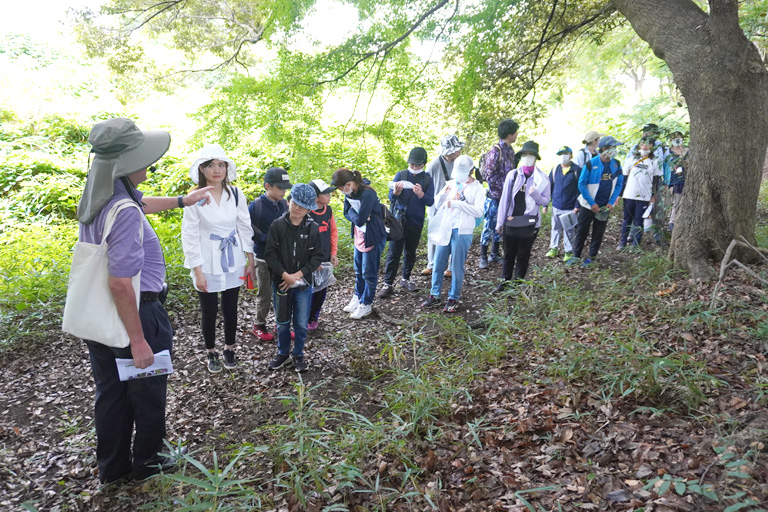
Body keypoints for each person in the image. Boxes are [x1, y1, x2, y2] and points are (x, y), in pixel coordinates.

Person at [74, 117, 211, 483]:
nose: (149, 162)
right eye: (142, 156)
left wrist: (184, 200)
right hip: (137, 312)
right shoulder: (125, 213)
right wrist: (138, 340)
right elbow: (120, 283)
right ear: (126, 162)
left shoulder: (102, 196)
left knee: (111, 393)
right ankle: (148, 462)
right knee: (147, 393)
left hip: (100, 317)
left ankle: (113, 468)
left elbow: (141, 204)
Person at [181, 144, 254, 373]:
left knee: (231, 306)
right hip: (207, 257)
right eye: (211, 165)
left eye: (221, 165)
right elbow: (190, 234)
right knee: (209, 309)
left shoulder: (236, 194)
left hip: (232, 256)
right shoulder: (195, 197)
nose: (217, 170)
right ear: (202, 169)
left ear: (227, 168)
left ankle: (229, 348)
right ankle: (211, 352)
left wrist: (250, 259)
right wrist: (197, 270)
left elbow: (244, 225)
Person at [263, 183, 324, 372]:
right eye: (295, 203)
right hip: (281, 282)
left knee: (300, 322)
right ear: (288, 202)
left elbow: (317, 257)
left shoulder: (312, 228)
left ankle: (298, 354)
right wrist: (285, 275)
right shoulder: (278, 225)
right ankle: (282, 353)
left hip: (303, 283)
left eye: (303, 206)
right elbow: (270, 254)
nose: (298, 209)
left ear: (309, 209)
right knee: (282, 322)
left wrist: (296, 276)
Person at [420, 155, 485, 312]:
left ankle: (453, 298)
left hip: (463, 231)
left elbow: (479, 211)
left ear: (470, 170)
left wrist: (459, 204)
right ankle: (434, 295)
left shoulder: (477, 188)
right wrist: (443, 195)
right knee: (438, 261)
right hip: (446, 227)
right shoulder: (451, 183)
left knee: (456, 266)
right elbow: (436, 202)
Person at [494, 141, 551, 291]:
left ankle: (518, 285)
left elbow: (546, 201)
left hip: (529, 224)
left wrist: (536, 195)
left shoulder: (542, 179)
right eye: (525, 154)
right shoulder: (513, 175)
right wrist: (500, 222)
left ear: (536, 158)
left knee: (523, 255)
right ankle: (504, 282)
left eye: (531, 155)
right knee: (508, 254)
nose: (527, 157)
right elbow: (505, 200)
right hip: (511, 221)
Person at [378, 147, 434, 298]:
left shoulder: (427, 178)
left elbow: (430, 201)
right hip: (398, 220)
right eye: (412, 164)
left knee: (410, 251)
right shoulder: (401, 174)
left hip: (416, 220)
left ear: (423, 164)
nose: (414, 168)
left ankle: (406, 278)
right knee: (394, 252)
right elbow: (391, 197)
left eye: (418, 165)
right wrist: (396, 192)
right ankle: (387, 283)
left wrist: (421, 194)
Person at [332, 168, 387, 319]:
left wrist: (357, 216)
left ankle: (366, 303)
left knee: (369, 272)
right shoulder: (350, 194)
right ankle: (358, 296)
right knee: (358, 271)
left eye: (340, 188)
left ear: (349, 183)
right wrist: (357, 216)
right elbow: (347, 213)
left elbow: (360, 219)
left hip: (372, 236)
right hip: (359, 236)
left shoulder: (368, 193)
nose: (341, 192)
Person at [566, 136, 625, 268]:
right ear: (604, 149)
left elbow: (619, 184)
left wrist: (611, 202)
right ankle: (576, 256)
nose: (615, 150)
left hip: (605, 206)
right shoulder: (591, 164)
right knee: (582, 230)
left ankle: (591, 257)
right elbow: (581, 184)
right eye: (612, 148)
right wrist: (591, 203)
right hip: (587, 205)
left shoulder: (616, 164)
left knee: (598, 232)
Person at [248, 168, 292, 342]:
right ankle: (259, 324)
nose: (283, 191)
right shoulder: (257, 205)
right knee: (265, 292)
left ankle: (280, 323)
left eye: (285, 188)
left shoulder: (283, 204)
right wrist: (268, 239)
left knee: (281, 291)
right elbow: (248, 229)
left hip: (281, 258)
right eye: (280, 188)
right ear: (268, 186)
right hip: (263, 257)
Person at [422, 134, 464, 276]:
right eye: (457, 149)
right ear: (450, 150)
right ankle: (431, 264)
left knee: (453, 234)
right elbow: (425, 183)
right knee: (433, 234)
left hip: (453, 204)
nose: (459, 151)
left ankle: (450, 267)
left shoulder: (459, 163)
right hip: (436, 204)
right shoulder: (434, 164)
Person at [479, 119, 518, 269]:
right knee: (489, 225)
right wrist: (501, 189)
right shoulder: (496, 151)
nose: (516, 136)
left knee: (500, 225)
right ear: (509, 134)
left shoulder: (510, 151)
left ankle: (494, 253)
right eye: (515, 133)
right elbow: (489, 175)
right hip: (494, 197)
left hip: (506, 197)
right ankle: (483, 255)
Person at [617, 138, 663, 250]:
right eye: (643, 144)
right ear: (639, 145)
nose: (645, 146)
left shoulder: (654, 161)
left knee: (639, 220)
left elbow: (656, 180)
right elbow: (624, 177)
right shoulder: (632, 159)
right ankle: (622, 243)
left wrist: (653, 195)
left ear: (652, 146)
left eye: (648, 144)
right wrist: (620, 194)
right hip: (629, 194)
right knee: (627, 219)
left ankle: (635, 244)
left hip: (644, 196)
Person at [307, 179, 338, 330]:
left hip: (325, 258)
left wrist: (333, 252)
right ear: (316, 197)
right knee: (309, 290)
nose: (330, 195)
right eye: (325, 193)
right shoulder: (306, 213)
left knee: (322, 289)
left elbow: (333, 231)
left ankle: (314, 316)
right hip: (310, 261)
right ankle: (305, 316)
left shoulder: (328, 210)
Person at [544, 146, 581, 262]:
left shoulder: (576, 170)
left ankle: (568, 251)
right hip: (556, 205)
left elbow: (580, 190)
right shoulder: (555, 170)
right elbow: (549, 186)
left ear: (571, 155)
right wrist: (545, 204)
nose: (563, 156)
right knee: (555, 227)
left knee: (569, 229)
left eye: (566, 153)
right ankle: (553, 248)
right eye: (561, 154)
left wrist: (577, 205)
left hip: (570, 207)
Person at [665, 131, 688, 231]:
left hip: (686, 179)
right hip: (674, 181)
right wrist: (667, 184)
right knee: (676, 202)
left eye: (679, 137)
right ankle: (672, 222)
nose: (677, 140)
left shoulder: (687, 151)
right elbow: (666, 168)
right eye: (674, 138)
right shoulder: (668, 153)